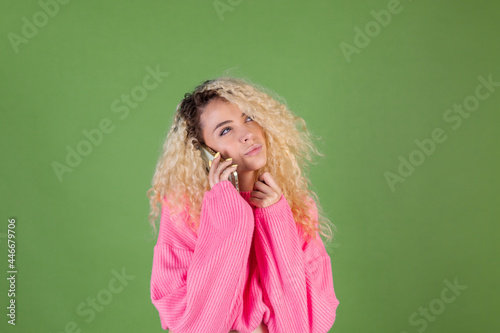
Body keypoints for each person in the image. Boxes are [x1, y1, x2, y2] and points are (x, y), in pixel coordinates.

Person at [147, 76, 339, 333]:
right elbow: (194, 325)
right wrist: (226, 210)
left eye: (249, 118)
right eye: (225, 130)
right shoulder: (184, 210)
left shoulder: (296, 206)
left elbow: (306, 323)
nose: (247, 134)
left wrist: (276, 218)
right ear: (205, 151)